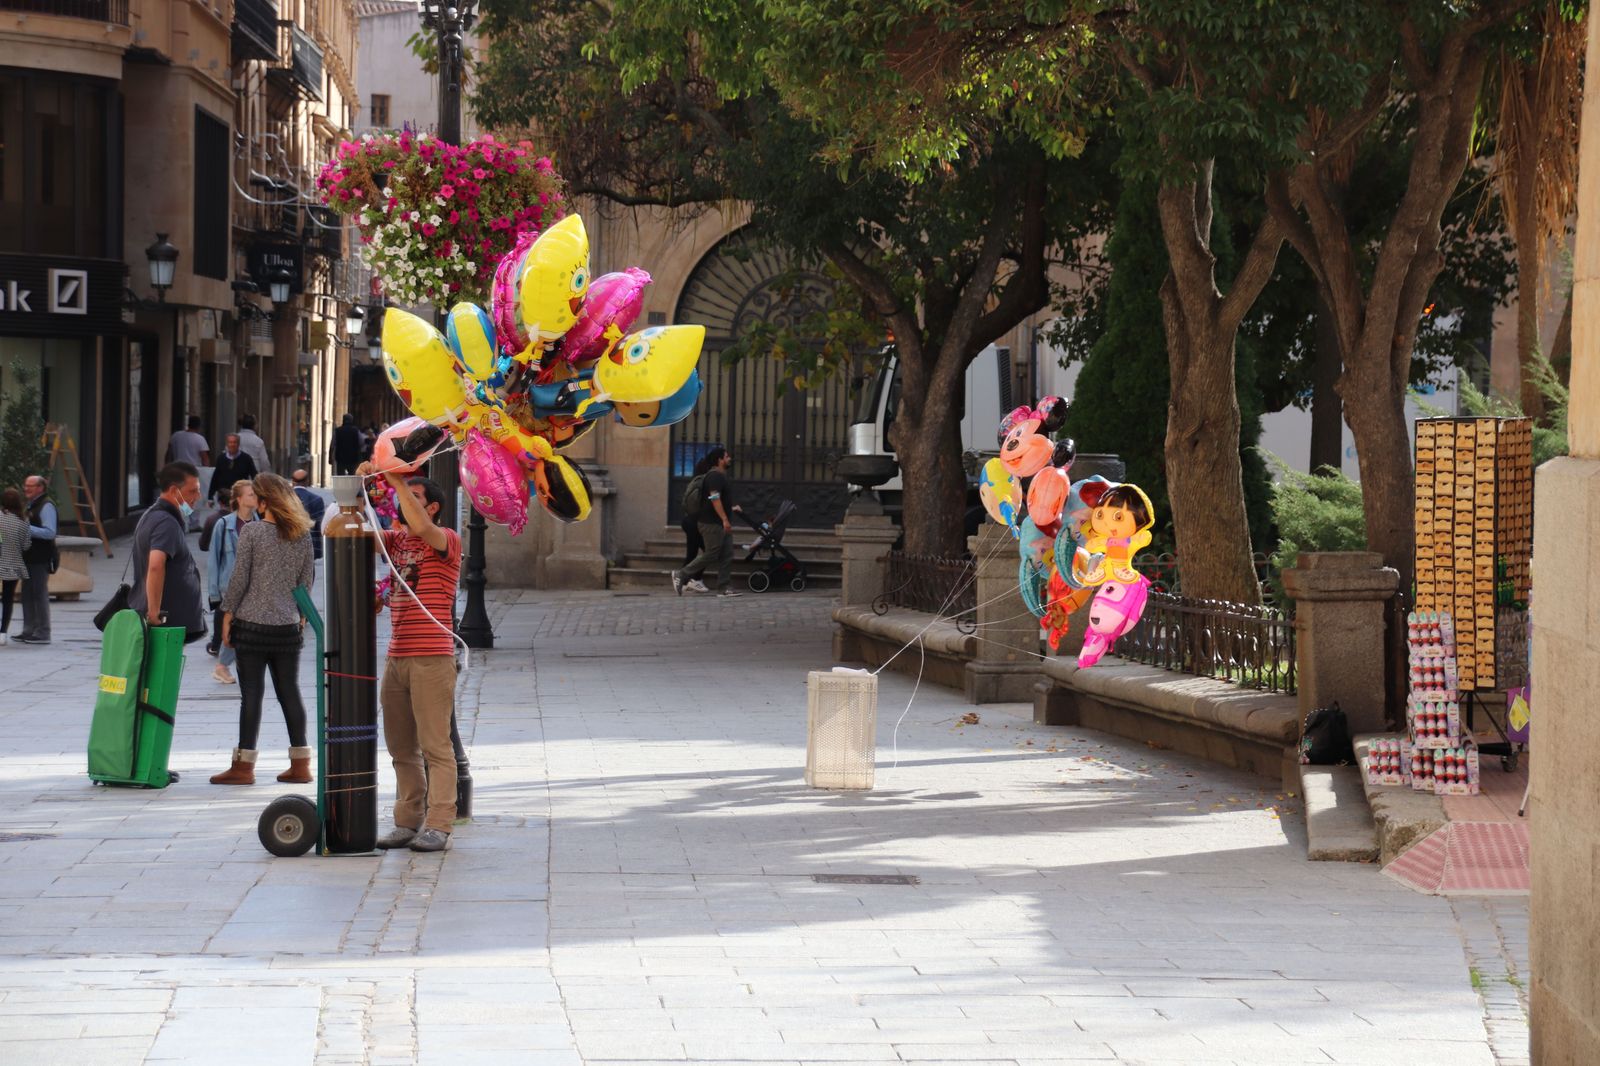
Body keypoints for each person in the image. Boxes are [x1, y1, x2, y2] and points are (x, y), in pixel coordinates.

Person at [357, 461, 461, 853]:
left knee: (436, 745)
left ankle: (440, 823)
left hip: (431, 655)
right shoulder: (397, 542)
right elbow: (349, 531)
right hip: (397, 655)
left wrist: (396, 479)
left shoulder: (445, 538)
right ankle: (407, 819)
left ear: (432, 507)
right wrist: (359, 483)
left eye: (415, 497)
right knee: (401, 746)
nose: (404, 502)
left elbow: (421, 528)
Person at [210, 474, 316, 786]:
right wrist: (299, 617)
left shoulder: (253, 532)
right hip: (286, 628)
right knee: (290, 693)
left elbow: (239, 578)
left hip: (252, 626)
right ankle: (301, 764)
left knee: (252, 695)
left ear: (265, 501)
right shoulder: (302, 536)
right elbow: (305, 583)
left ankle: (243, 767)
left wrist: (227, 614)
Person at [127, 463, 207, 643]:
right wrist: (154, 611)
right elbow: (156, 565)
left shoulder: (155, 514)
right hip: (165, 623)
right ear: (174, 490)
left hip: (169, 622)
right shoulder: (165, 522)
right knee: (163, 670)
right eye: (192, 491)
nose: (197, 496)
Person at [672, 447, 742, 598]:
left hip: (719, 522)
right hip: (712, 523)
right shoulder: (715, 476)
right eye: (727, 456)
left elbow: (714, 500)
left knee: (727, 555)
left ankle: (724, 588)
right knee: (711, 553)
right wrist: (724, 519)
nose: (729, 458)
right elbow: (714, 498)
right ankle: (682, 574)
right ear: (719, 460)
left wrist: (729, 511)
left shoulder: (719, 477)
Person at [206, 479, 257, 682]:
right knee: (238, 627)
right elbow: (213, 560)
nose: (255, 497)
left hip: (254, 587)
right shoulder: (224, 525)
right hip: (230, 587)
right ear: (239, 499)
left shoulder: (260, 523)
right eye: (251, 494)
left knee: (244, 628)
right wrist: (214, 594)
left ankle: (227, 666)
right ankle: (223, 666)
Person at [17, 474, 57, 644]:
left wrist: (25, 528)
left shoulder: (46, 506)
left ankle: (42, 632)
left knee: (39, 594)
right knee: (27, 594)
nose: (26, 488)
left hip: (40, 557)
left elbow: (50, 532)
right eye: (25, 485)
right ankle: (29, 630)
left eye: (30, 486)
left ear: (40, 488)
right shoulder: (31, 504)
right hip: (29, 557)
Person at [0, 489, 31, 645]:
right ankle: (3, 632)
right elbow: (26, 546)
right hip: (12, 564)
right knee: (7, 599)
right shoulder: (23, 521)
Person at [209, 434, 259, 507]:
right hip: (224, 494)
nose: (232, 445)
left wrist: (256, 493)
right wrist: (210, 497)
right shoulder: (221, 458)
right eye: (230, 442)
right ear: (227, 444)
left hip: (239, 494)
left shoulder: (246, 458)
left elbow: (254, 476)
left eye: (234, 442)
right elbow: (215, 477)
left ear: (238, 444)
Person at [290, 469, 326, 560]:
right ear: (307, 481)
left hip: (286, 546)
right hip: (310, 547)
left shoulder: (283, 499)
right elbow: (320, 525)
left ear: (292, 482)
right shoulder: (316, 499)